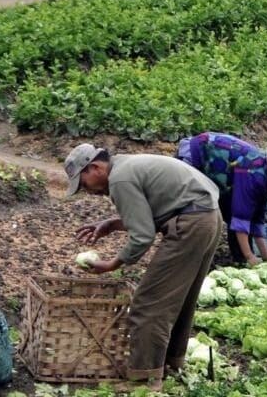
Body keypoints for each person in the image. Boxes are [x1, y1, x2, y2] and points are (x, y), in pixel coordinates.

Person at [66, 144, 220, 390]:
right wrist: (114, 224)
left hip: (190, 223)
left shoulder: (119, 179)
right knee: (180, 299)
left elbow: (143, 235)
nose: (87, 191)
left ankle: (144, 380)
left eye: (83, 183)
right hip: (208, 217)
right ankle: (171, 363)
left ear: (95, 167)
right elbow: (159, 207)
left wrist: (111, 264)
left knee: (148, 302)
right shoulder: (126, 164)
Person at [174, 132, 267, 266]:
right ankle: (186, 259)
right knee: (198, 213)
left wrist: (266, 255)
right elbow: (241, 215)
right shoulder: (255, 175)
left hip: (223, 172)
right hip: (197, 156)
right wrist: (250, 256)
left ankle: (239, 259)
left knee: (238, 212)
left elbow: (257, 217)